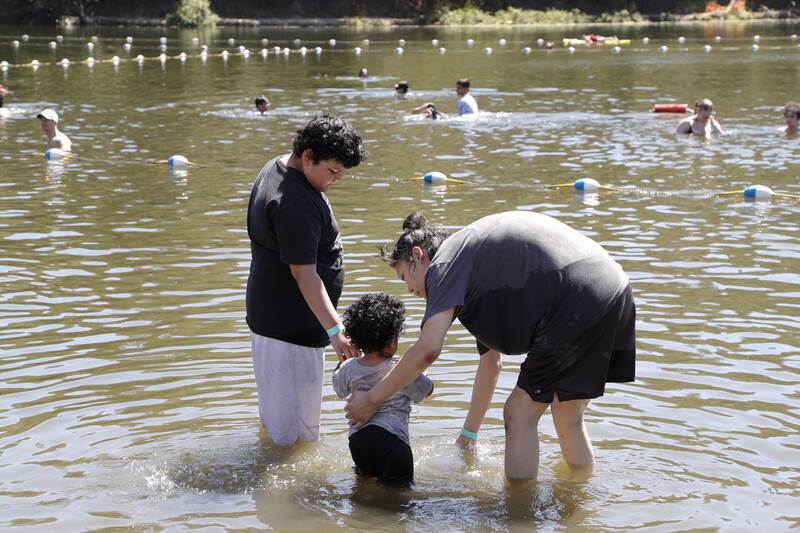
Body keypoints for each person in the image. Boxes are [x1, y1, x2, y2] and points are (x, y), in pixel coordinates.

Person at [345, 210, 636, 480]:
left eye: (404, 277)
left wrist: (371, 399)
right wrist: (469, 435)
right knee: (567, 414)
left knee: (519, 413)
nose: (409, 289)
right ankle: (580, 499)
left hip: (577, 296)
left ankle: (519, 514)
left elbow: (427, 349)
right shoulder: (473, 267)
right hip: (613, 287)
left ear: (418, 256)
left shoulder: (444, 265)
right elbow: (490, 364)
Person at [246, 113, 368, 446]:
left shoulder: (280, 167)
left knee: (278, 426)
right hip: (291, 333)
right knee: (296, 441)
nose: (338, 178)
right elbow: (304, 273)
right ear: (308, 155)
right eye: (332, 170)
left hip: (276, 322)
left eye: (343, 172)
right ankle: (286, 495)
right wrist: (336, 332)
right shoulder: (294, 202)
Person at [332, 292, 434, 487]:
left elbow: (339, 389)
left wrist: (342, 363)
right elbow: (426, 390)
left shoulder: (349, 367)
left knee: (363, 487)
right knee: (399, 497)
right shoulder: (401, 370)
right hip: (393, 442)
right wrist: (422, 370)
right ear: (391, 342)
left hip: (358, 441)